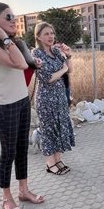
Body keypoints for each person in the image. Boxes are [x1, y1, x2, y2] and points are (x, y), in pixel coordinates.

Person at [0, 2, 45, 209]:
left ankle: (23, 190)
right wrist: (7, 40)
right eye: (8, 17)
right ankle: (6, 197)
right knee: (8, 152)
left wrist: (17, 46)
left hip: (21, 100)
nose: (13, 20)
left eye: (14, 16)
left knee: (21, 147)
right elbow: (20, 64)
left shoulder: (12, 42)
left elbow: (26, 62)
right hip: (4, 103)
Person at [32, 22, 76, 174]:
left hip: (59, 97)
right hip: (45, 98)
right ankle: (50, 164)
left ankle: (58, 160)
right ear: (38, 36)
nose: (50, 36)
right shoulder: (36, 54)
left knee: (61, 127)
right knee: (49, 130)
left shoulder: (56, 51)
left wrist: (68, 55)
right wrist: (63, 68)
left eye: (51, 33)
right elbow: (47, 78)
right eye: (46, 34)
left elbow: (70, 69)